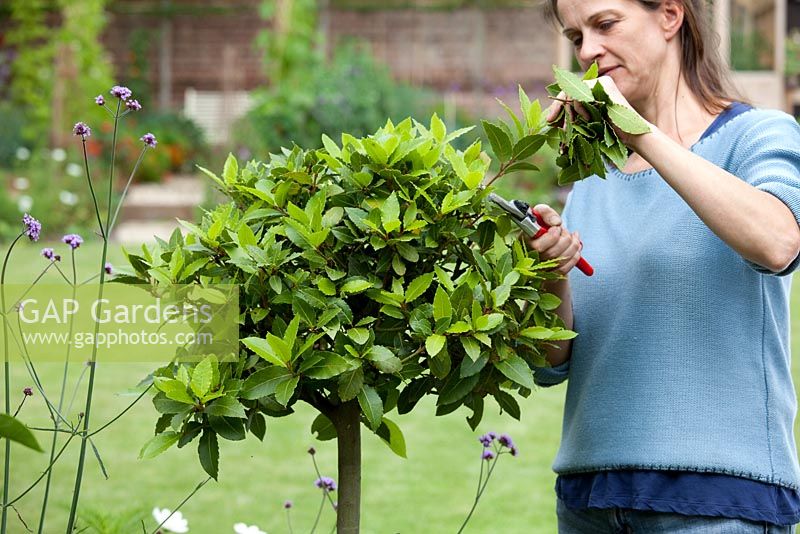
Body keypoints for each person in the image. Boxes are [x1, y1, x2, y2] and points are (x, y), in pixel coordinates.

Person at [529, 0, 800, 532]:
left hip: (716, 502)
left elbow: (778, 242)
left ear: (670, 16)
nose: (587, 51)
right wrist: (554, 270)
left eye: (605, 25)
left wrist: (639, 134)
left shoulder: (759, 134)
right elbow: (551, 361)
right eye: (576, 35)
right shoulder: (593, 179)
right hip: (590, 499)